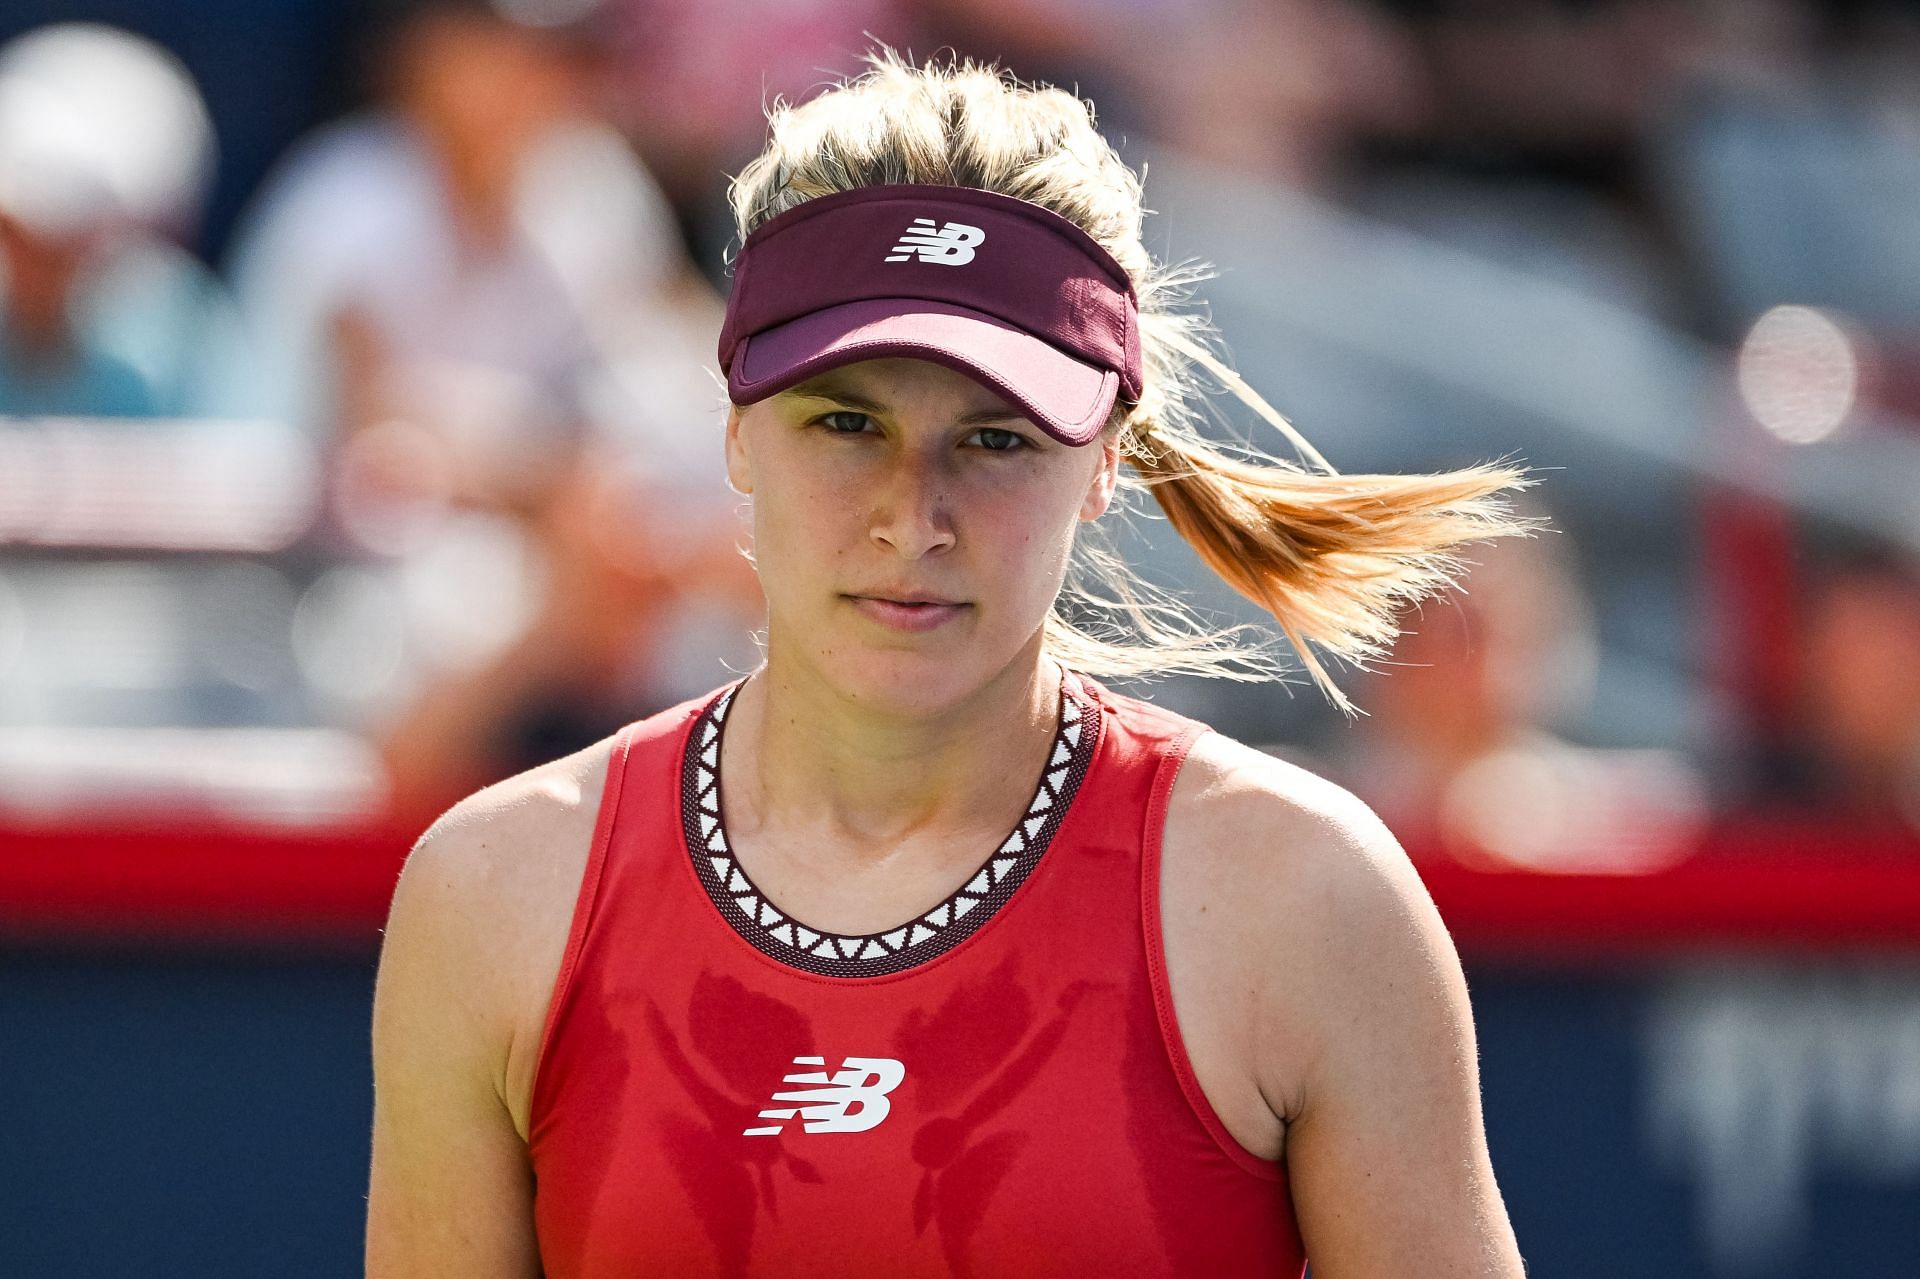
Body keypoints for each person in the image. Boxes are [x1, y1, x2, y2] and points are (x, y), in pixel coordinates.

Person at [367, 51, 1532, 1277]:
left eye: (994, 438)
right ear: (734, 438)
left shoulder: (1308, 897)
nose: (914, 516)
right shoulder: (496, 893)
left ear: (1104, 469)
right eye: (848, 424)